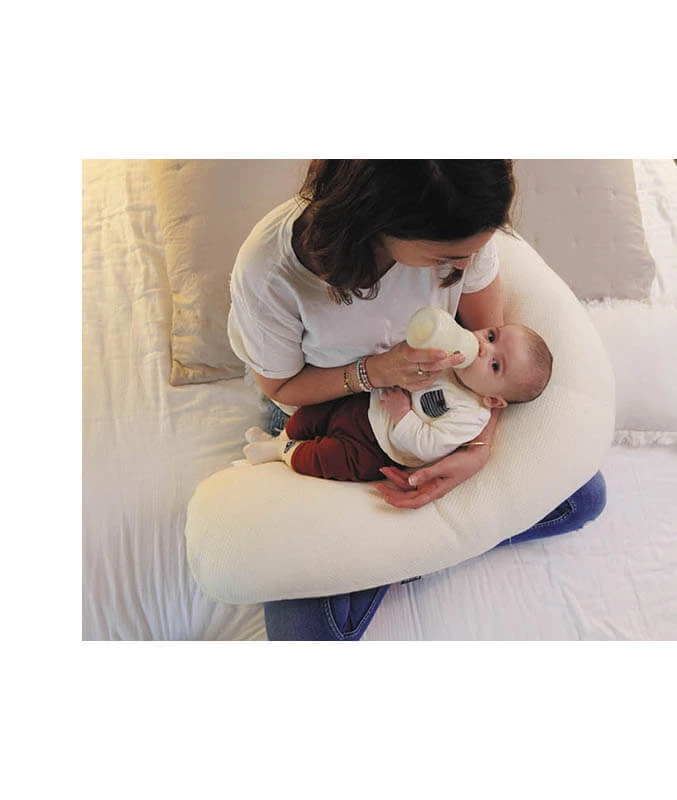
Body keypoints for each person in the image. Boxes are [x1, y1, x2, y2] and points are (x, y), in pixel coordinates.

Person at [227, 160, 606, 640]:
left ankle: (404, 554)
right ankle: (414, 553)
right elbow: (282, 388)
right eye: (447, 257)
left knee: (583, 498)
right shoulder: (271, 272)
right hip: (327, 409)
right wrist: (375, 372)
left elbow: (487, 347)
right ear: (382, 220)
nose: (465, 267)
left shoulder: (465, 228)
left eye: (476, 251)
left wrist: (478, 447)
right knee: (308, 634)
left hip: (442, 402)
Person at [240, 322, 553, 481]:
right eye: (492, 336)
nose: (483, 347)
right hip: (366, 402)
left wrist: (403, 414)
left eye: (495, 365)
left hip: (378, 448)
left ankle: (282, 452)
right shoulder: (450, 352)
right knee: (314, 414)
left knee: (328, 460)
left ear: (494, 399)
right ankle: (281, 436)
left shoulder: (471, 415)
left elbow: (429, 446)